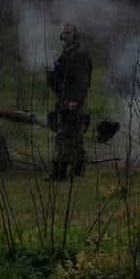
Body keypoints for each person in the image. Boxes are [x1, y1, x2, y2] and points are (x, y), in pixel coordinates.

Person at [46, 24, 93, 181]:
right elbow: (58, 83)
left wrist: (75, 101)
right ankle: (78, 170)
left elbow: (82, 82)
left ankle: (60, 173)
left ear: (74, 35)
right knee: (72, 136)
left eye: (68, 33)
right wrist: (51, 74)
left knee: (66, 135)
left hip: (74, 102)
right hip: (65, 101)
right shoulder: (64, 56)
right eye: (64, 33)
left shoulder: (80, 55)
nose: (65, 35)